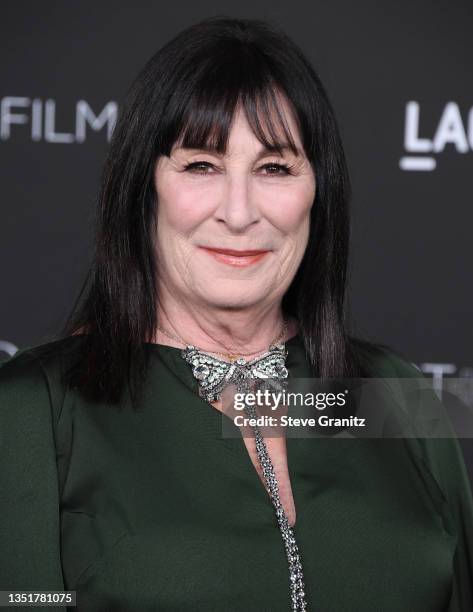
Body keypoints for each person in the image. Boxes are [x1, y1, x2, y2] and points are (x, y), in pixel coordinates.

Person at [1, 15, 472, 612]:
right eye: (202, 165)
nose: (240, 211)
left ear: (317, 192)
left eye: (274, 168)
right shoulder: (31, 411)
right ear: (144, 187)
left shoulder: (395, 395)